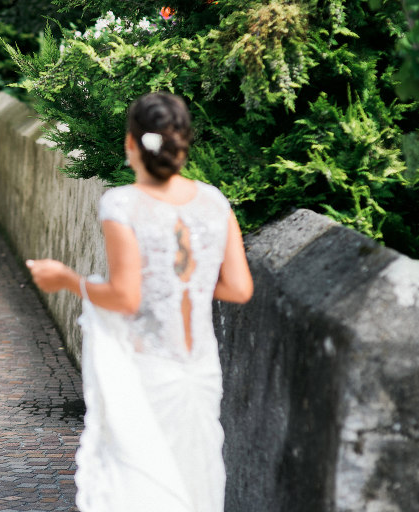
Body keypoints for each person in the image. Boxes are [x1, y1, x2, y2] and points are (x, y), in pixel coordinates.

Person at [26, 93, 253, 511]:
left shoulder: (123, 204)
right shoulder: (214, 202)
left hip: (149, 371)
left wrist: (68, 279)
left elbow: (126, 297)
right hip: (200, 369)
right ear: (183, 142)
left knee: (141, 485)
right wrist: (186, 283)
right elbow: (239, 288)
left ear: (131, 142)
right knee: (195, 479)